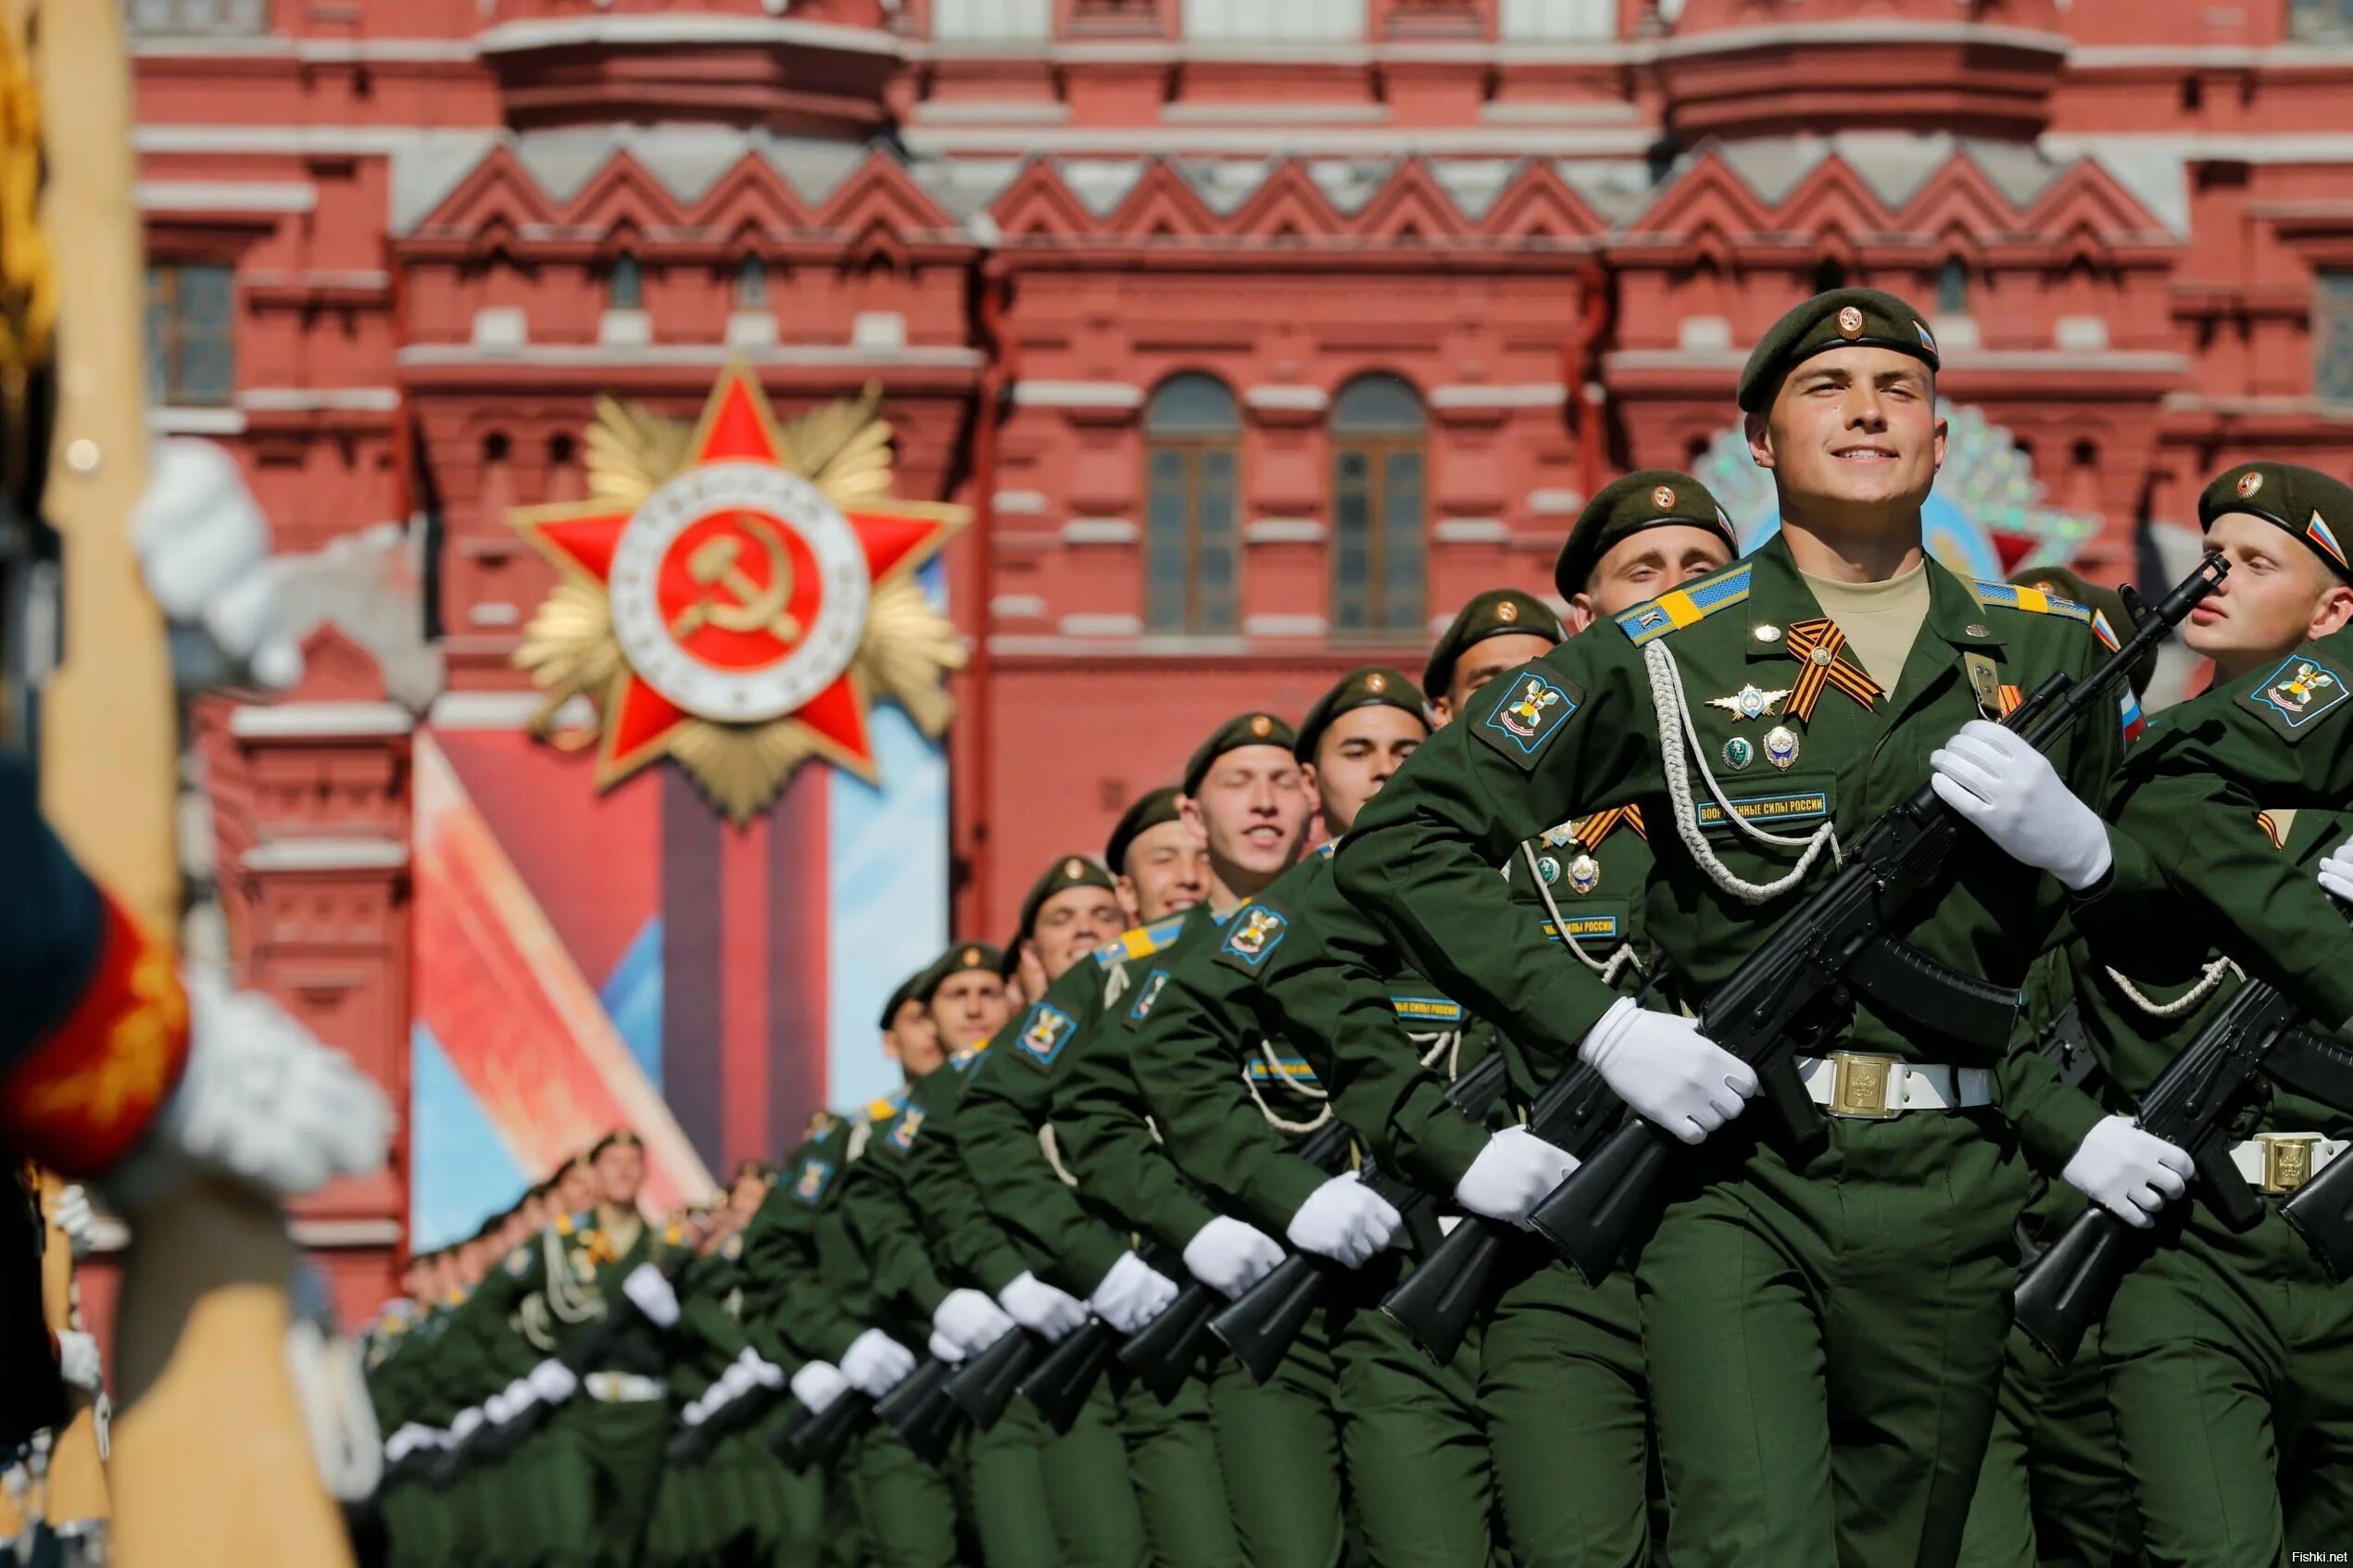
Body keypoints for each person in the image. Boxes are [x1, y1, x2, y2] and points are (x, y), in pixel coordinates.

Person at [1334, 288, 2174, 1566]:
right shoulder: (1667, 652)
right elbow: (1406, 842)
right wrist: (1609, 1033)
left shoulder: (2048, 649)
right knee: (1755, 1536)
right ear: (1759, 444)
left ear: (1941, 441)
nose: (1868, 411)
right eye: (1828, 389)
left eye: (1899, 389)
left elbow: (2184, 931)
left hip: (1960, 1180)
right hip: (1742, 1179)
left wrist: (2098, 854)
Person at [1949, 461, 2353, 1565]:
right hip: (2190, 1238)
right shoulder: (2118, 783)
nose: (2211, 578)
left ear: (2334, 613)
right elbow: (2016, 990)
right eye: (2208, 554)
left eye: (2254, 562)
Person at [957, 788, 1237, 1568]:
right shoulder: (1099, 991)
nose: (1187, 877)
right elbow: (991, 1136)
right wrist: (1075, 1264)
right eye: (1163, 861)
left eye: (1196, 857)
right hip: (1125, 1294)